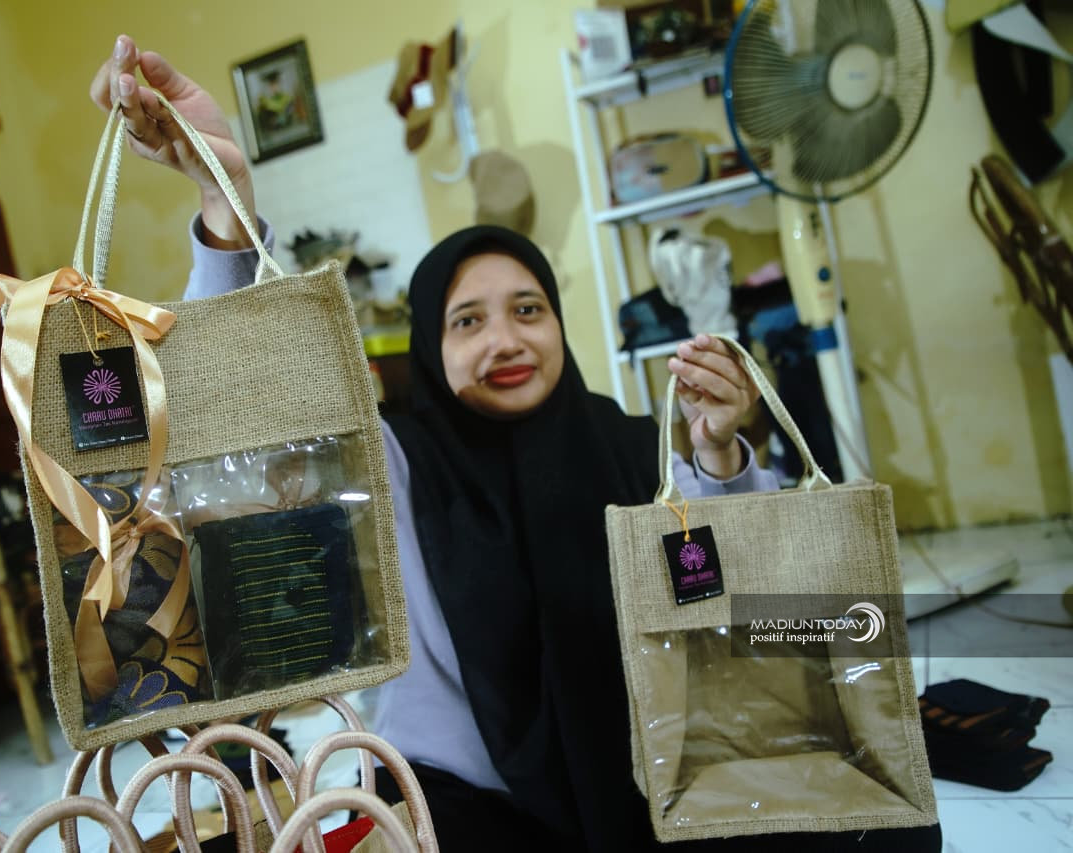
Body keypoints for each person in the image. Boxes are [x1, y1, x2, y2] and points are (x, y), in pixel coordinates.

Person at [91, 36, 942, 852]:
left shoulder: (633, 446)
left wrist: (720, 452)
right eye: (468, 320)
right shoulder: (391, 465)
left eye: (528, 310)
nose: (506, 340)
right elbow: (259, 392)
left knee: (885, 832)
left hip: (655, 771)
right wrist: (226, 198)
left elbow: (733, 609)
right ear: (430, 346)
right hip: (463, 799)